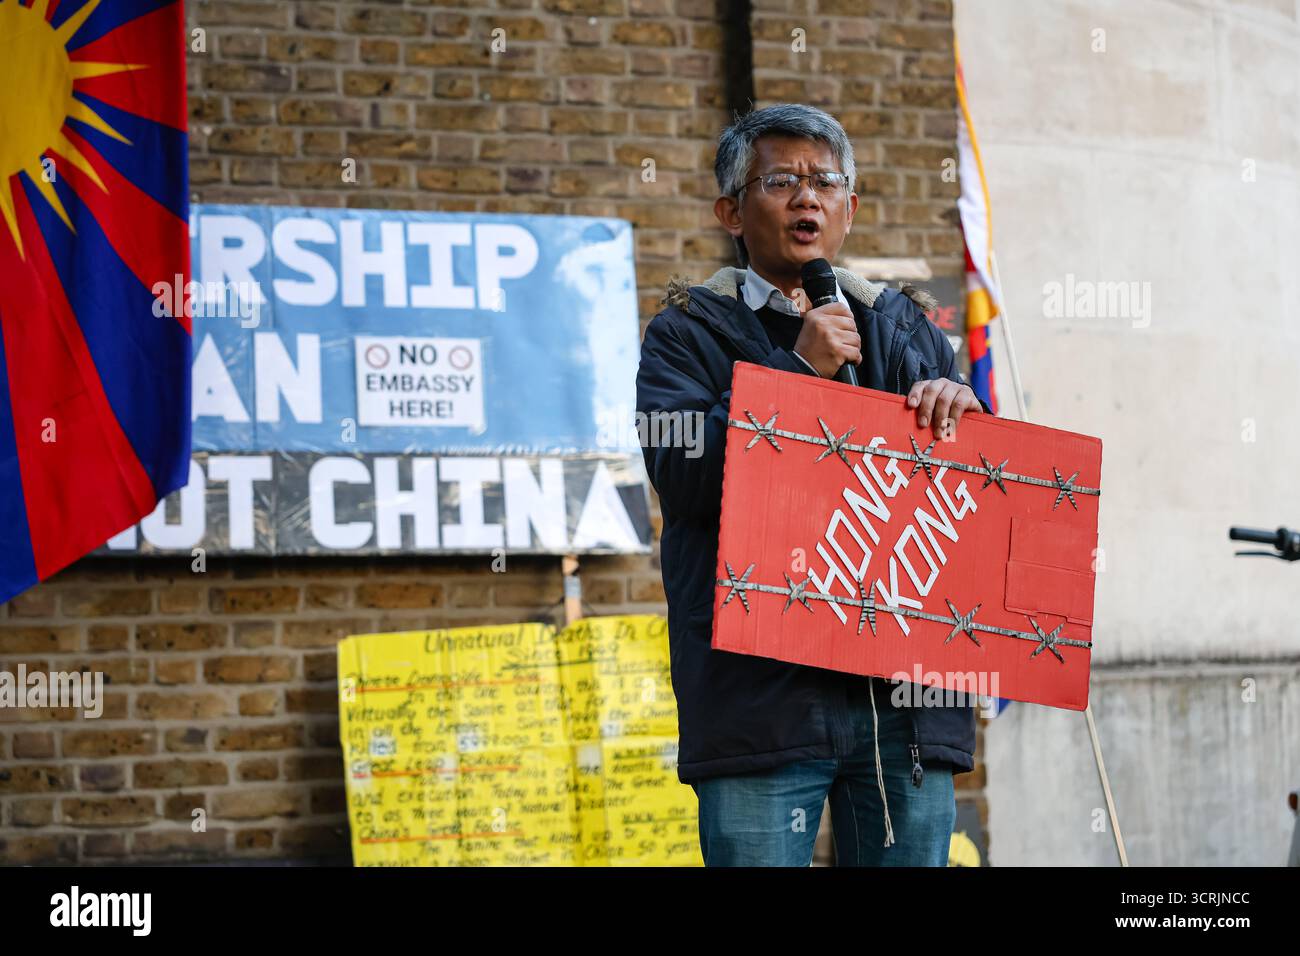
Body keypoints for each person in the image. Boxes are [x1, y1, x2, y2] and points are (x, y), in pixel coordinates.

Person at [635, 103, 992, 867]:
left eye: (826, 181)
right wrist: (794, 374)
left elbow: (971, 507)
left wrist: (969, 418)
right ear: (731, 210)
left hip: (904, 702)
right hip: (757, 699)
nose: (808, 197)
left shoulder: (908, 329)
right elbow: (683, 476)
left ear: (850, 207)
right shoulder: (686, 331)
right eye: (782, 181)